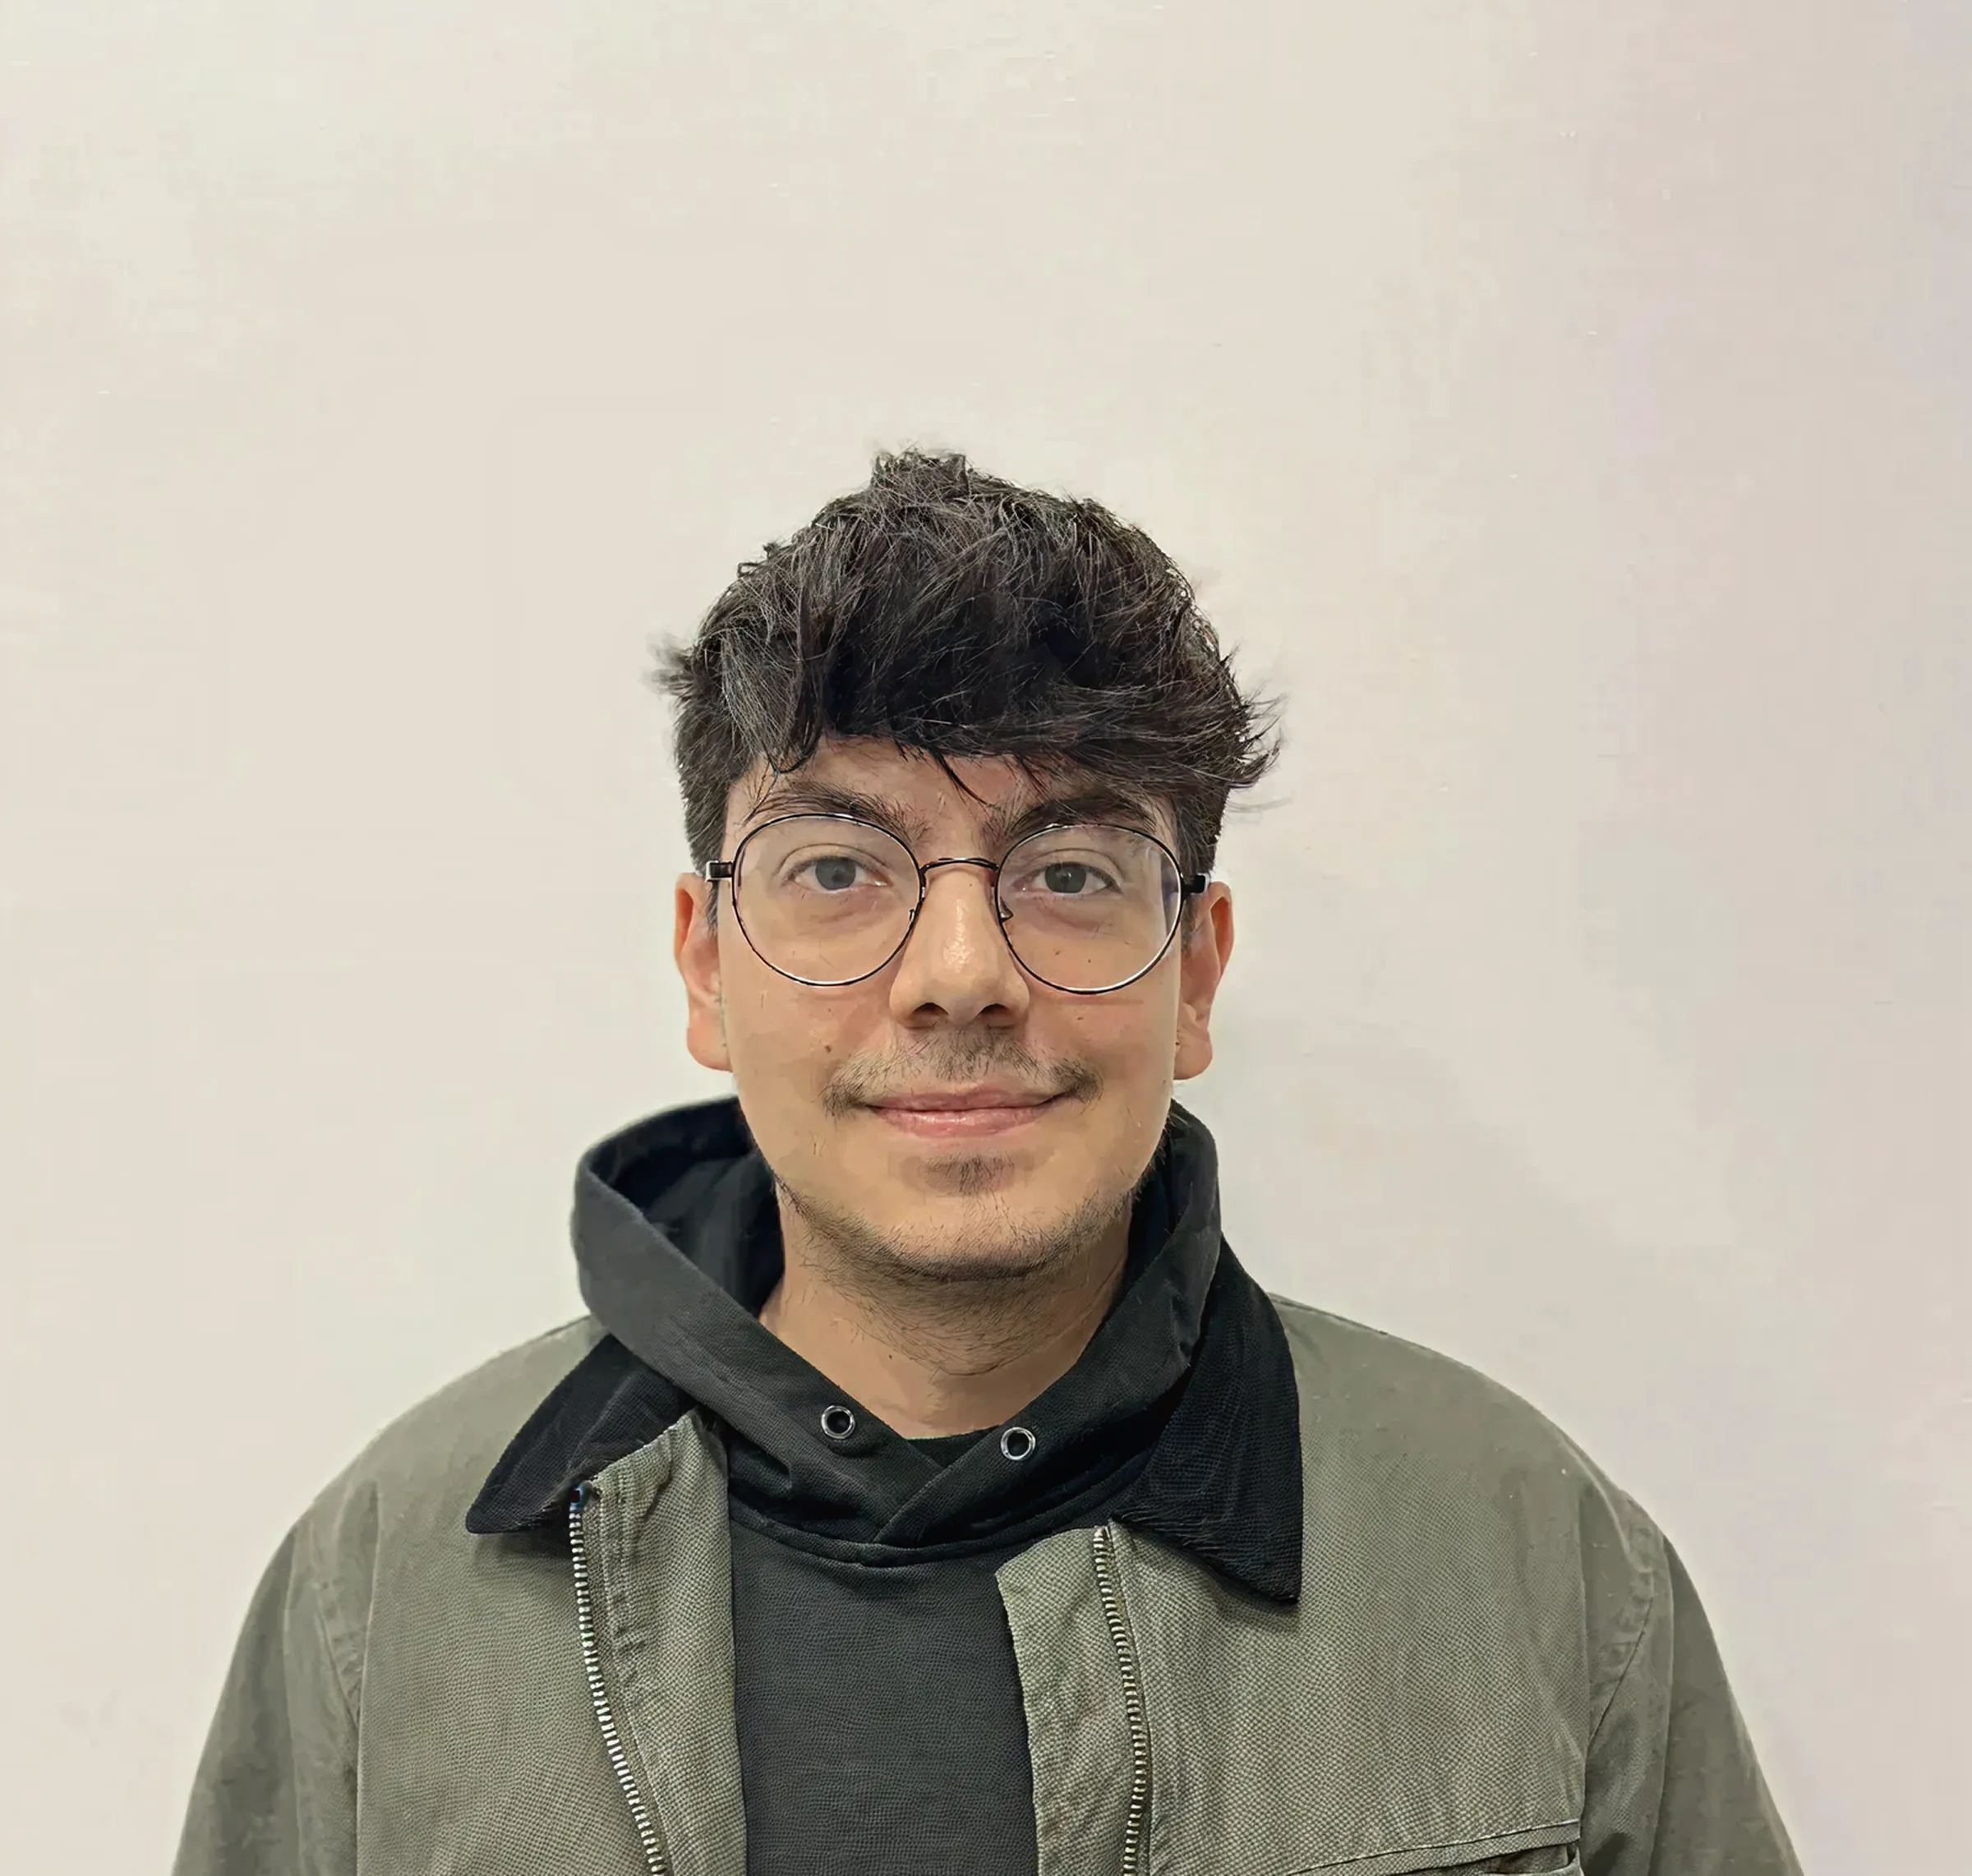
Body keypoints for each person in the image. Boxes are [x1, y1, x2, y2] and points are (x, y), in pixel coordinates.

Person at [174, 451, 1799, 1876]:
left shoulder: (1535, 1562)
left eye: (1072, 870)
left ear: (1201, 969)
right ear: (701, 967)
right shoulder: (384, 1586)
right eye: (837, 866)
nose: (962, 967)